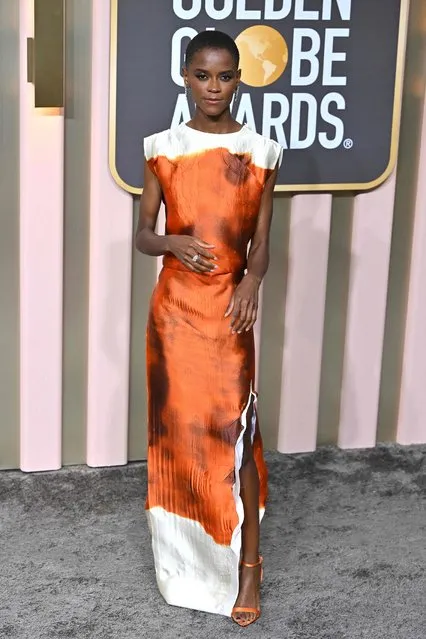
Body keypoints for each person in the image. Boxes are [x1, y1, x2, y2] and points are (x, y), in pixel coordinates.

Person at [135, 30, 283, 627]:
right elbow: (143, 235)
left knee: (236, 432)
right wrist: (170, 240)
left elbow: (264, 243)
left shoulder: (262, 152)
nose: (213, 87)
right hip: (173, 314)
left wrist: (250, 284)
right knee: (178, 438)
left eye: (224, 77)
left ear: (239, 78)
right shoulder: (161, 149)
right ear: (184, 76)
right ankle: (189, 563)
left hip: (228, 311)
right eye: (202, 76)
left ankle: (248, 564)